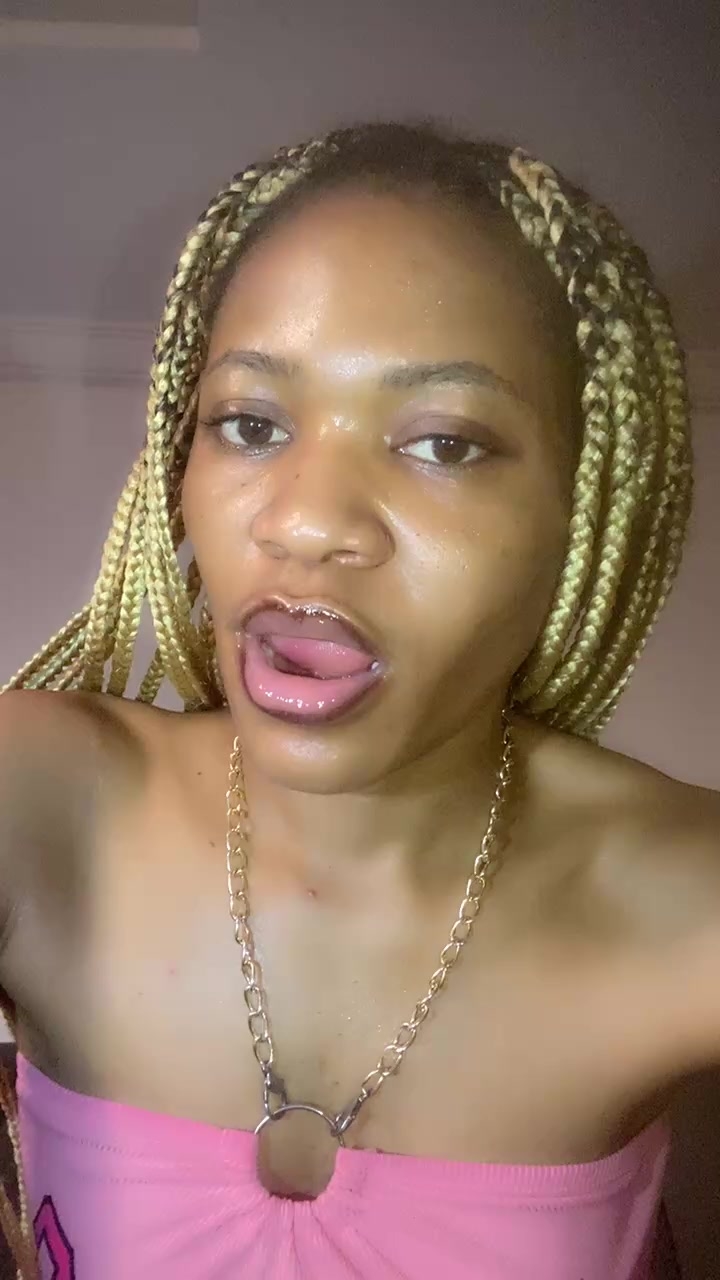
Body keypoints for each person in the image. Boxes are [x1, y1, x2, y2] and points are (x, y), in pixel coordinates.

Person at [0, 120, 716, 1280]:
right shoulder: (38, 798)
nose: (306, 520)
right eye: (251, 424)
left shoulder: (685, 895)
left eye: (444, 443)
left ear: (583, 518)